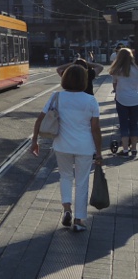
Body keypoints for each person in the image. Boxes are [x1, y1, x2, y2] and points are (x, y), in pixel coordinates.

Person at [31, 64, 102, 232]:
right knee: (82, 182)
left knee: (65, 177)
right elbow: (95, 129)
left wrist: (35, 141)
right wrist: (99, 152)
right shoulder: (91, 100)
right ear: (84, 80)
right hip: (84, 146)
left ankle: (67, 209)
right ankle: (79, 220)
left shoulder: (56, 97)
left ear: (64, 79)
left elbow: (39, 120)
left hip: (62, 145)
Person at [109, 47, 138, 156]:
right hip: (135, 99)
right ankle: (134, 149)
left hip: (121, 99)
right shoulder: (136, 69)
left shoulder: (116, 70)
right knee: (134, 124)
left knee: (124, 124)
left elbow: (115, 85)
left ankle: (125, 149)